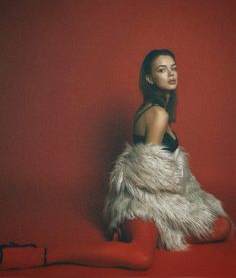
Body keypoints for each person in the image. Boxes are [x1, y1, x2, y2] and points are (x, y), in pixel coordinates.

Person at [0, 49, 233, 271]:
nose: (171, 73)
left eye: (173, 68)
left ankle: (145, 235)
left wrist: (186, 197)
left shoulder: (156, 109)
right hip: (144, 202)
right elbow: (149, 171)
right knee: (140, 257)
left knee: (221, 226)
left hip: (159, 201)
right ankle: (35, 254)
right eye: (162, 69)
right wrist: (180, 199)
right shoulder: (157, 114)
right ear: (150, 78)